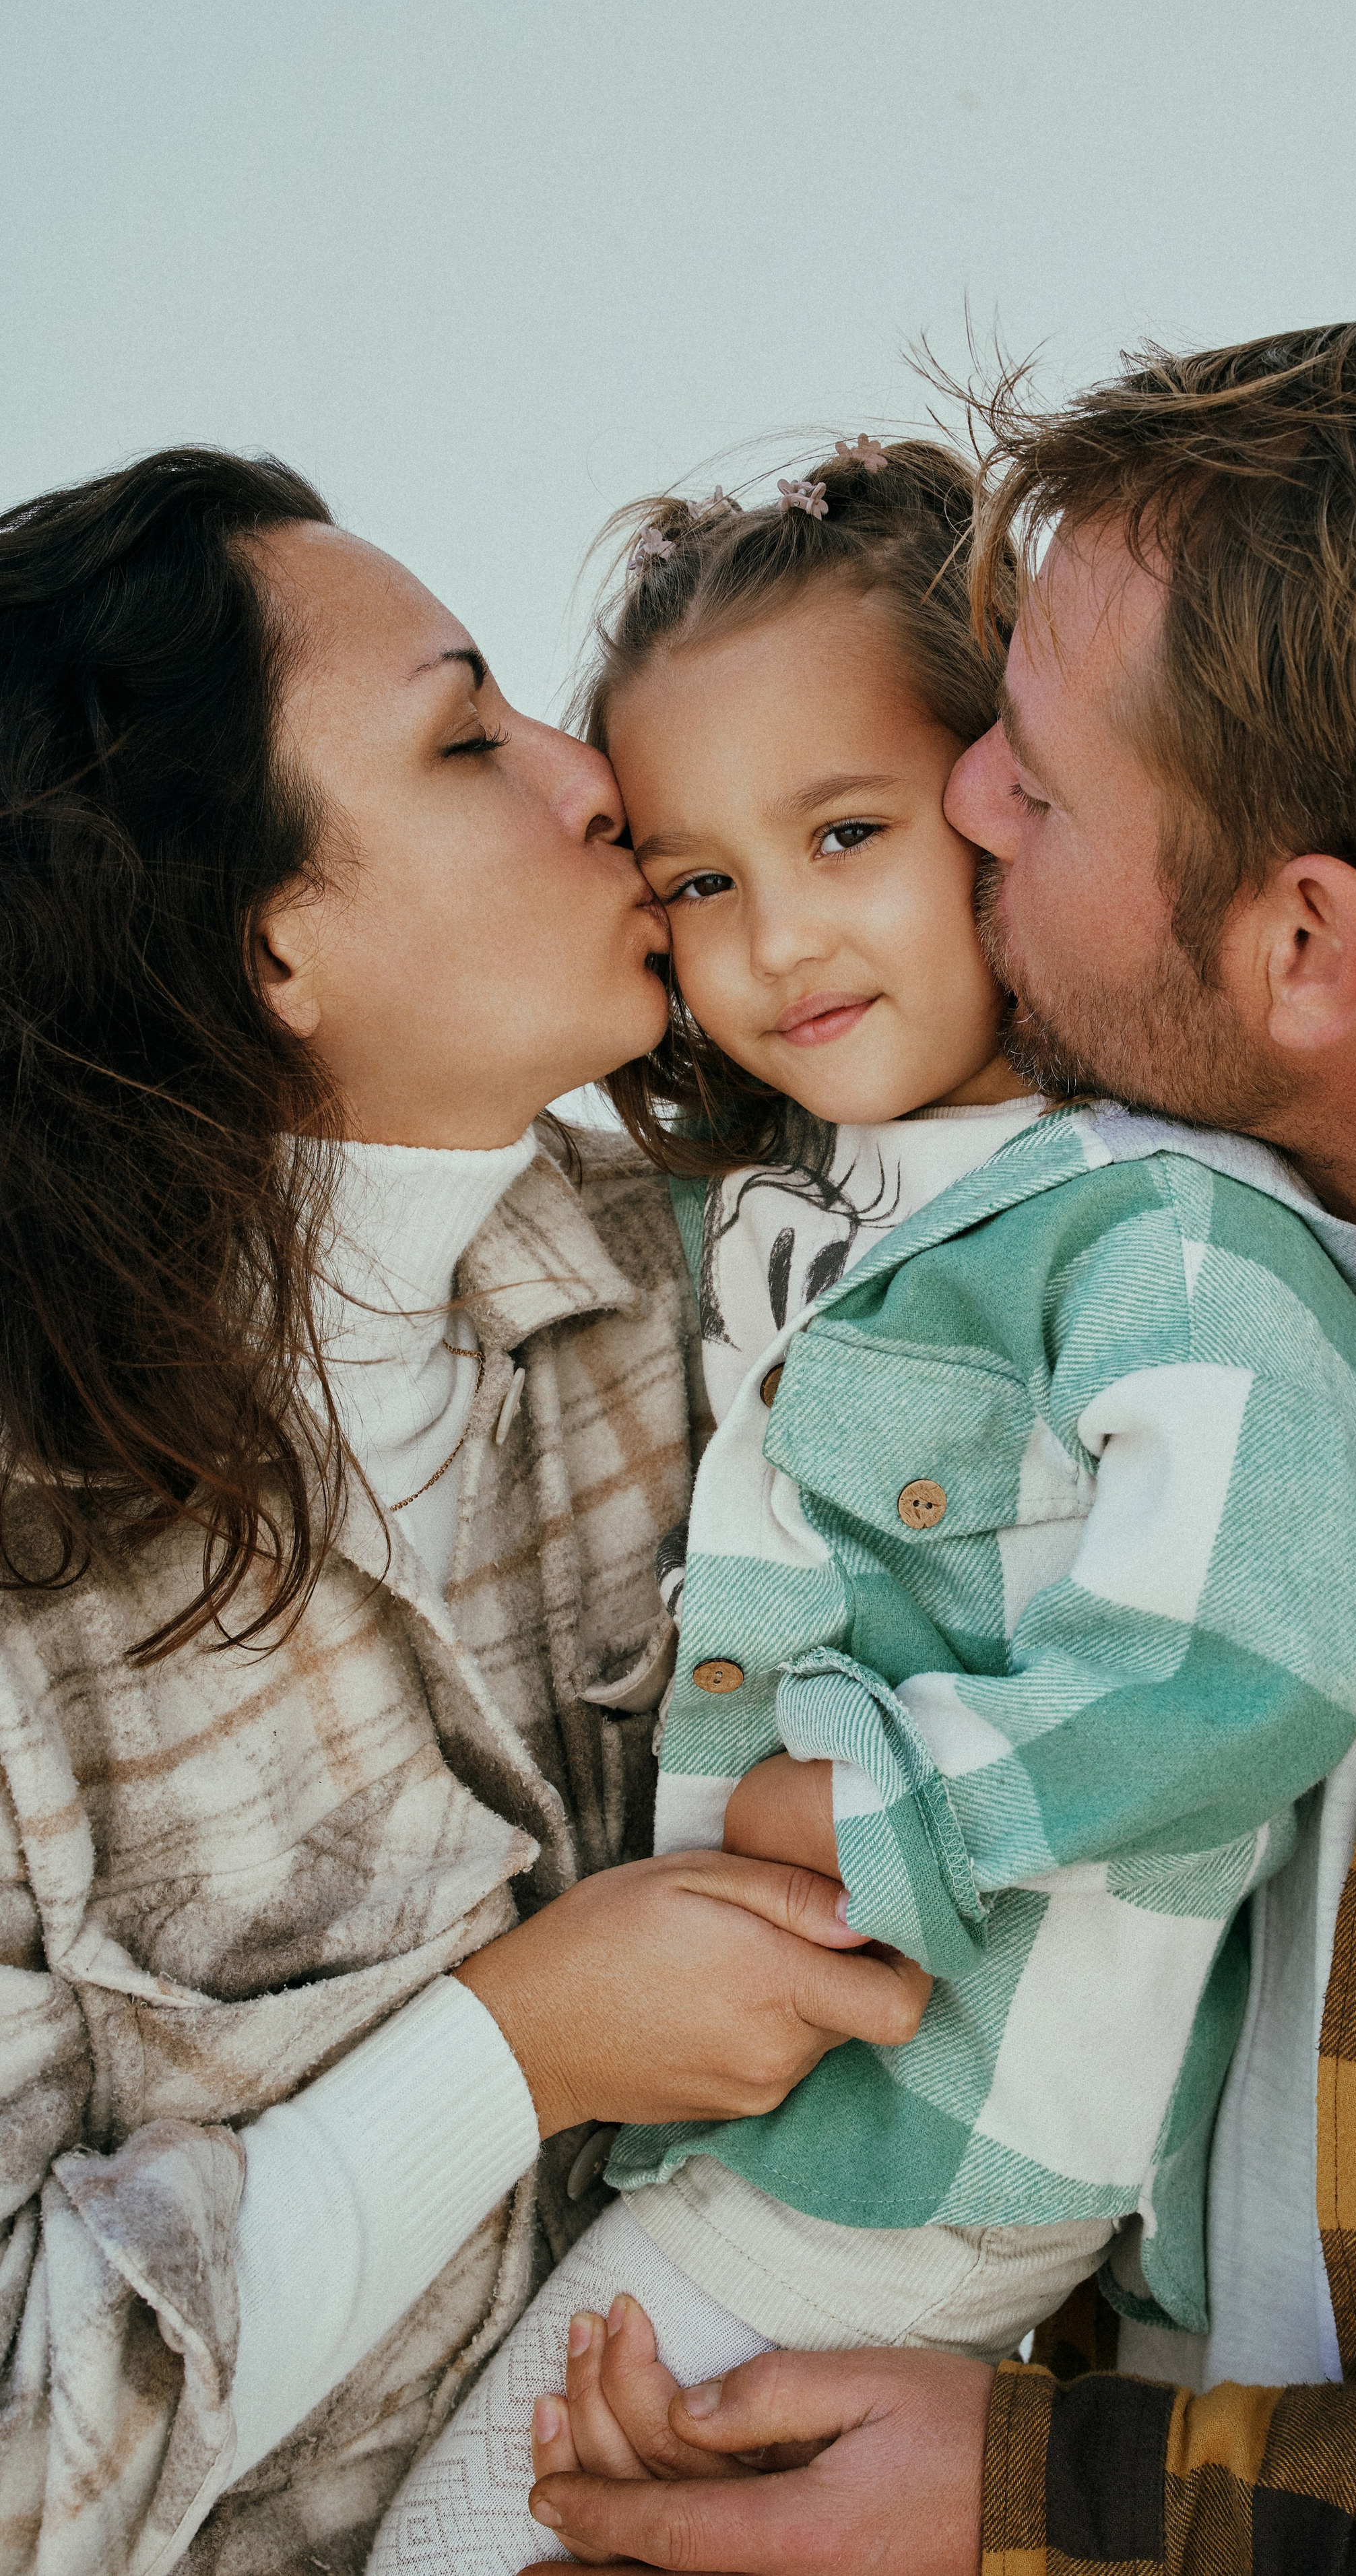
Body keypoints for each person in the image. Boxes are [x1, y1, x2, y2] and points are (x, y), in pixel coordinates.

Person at [519, 315, 1356, 2575]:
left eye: (1038, 790)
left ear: (1302, 943)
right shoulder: (1054, 1254)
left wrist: (1039, 2511)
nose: (967, 792)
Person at [375, 434, 1356, 2576]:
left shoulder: (1156, 1226)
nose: (776, 939)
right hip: (766, 2118)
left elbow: (1261, 1638)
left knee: (455, 2549)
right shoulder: (775, 1217)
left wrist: (890, 1812)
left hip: (927, 2139)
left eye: (844, 832)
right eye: (697, 879)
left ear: (1007, 811)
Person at [0, 447, 930, 2575]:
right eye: (463, 736)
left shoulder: (735, 1284)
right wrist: (517, 2054)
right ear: (265, 955)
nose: (592, 771)